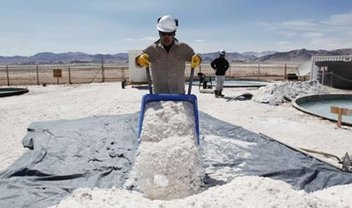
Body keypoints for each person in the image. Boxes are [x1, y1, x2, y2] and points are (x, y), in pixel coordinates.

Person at [135, 15, 201, 94]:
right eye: (163, 33)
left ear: (174, 33)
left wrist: (198, 59)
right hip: (158, 97)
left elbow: (196, 58)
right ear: (159, 32)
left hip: (179, 95)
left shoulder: (183, 48)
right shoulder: (152, 49)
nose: (166, 36)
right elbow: (137, 64)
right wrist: (139, 60)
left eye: (169, 34)